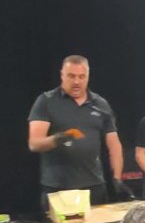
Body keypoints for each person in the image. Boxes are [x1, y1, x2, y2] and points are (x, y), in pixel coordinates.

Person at [28, 55, 128, 209]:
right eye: (71, 76)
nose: (76, 82)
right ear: (62, 75)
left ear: (88, 77)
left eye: (81, 77)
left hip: (94, 187)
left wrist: (117, 179)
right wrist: (59, 138)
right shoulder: (46, 101)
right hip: (58, 188)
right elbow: (34, 144)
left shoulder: (100, 104)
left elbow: (114, 145)